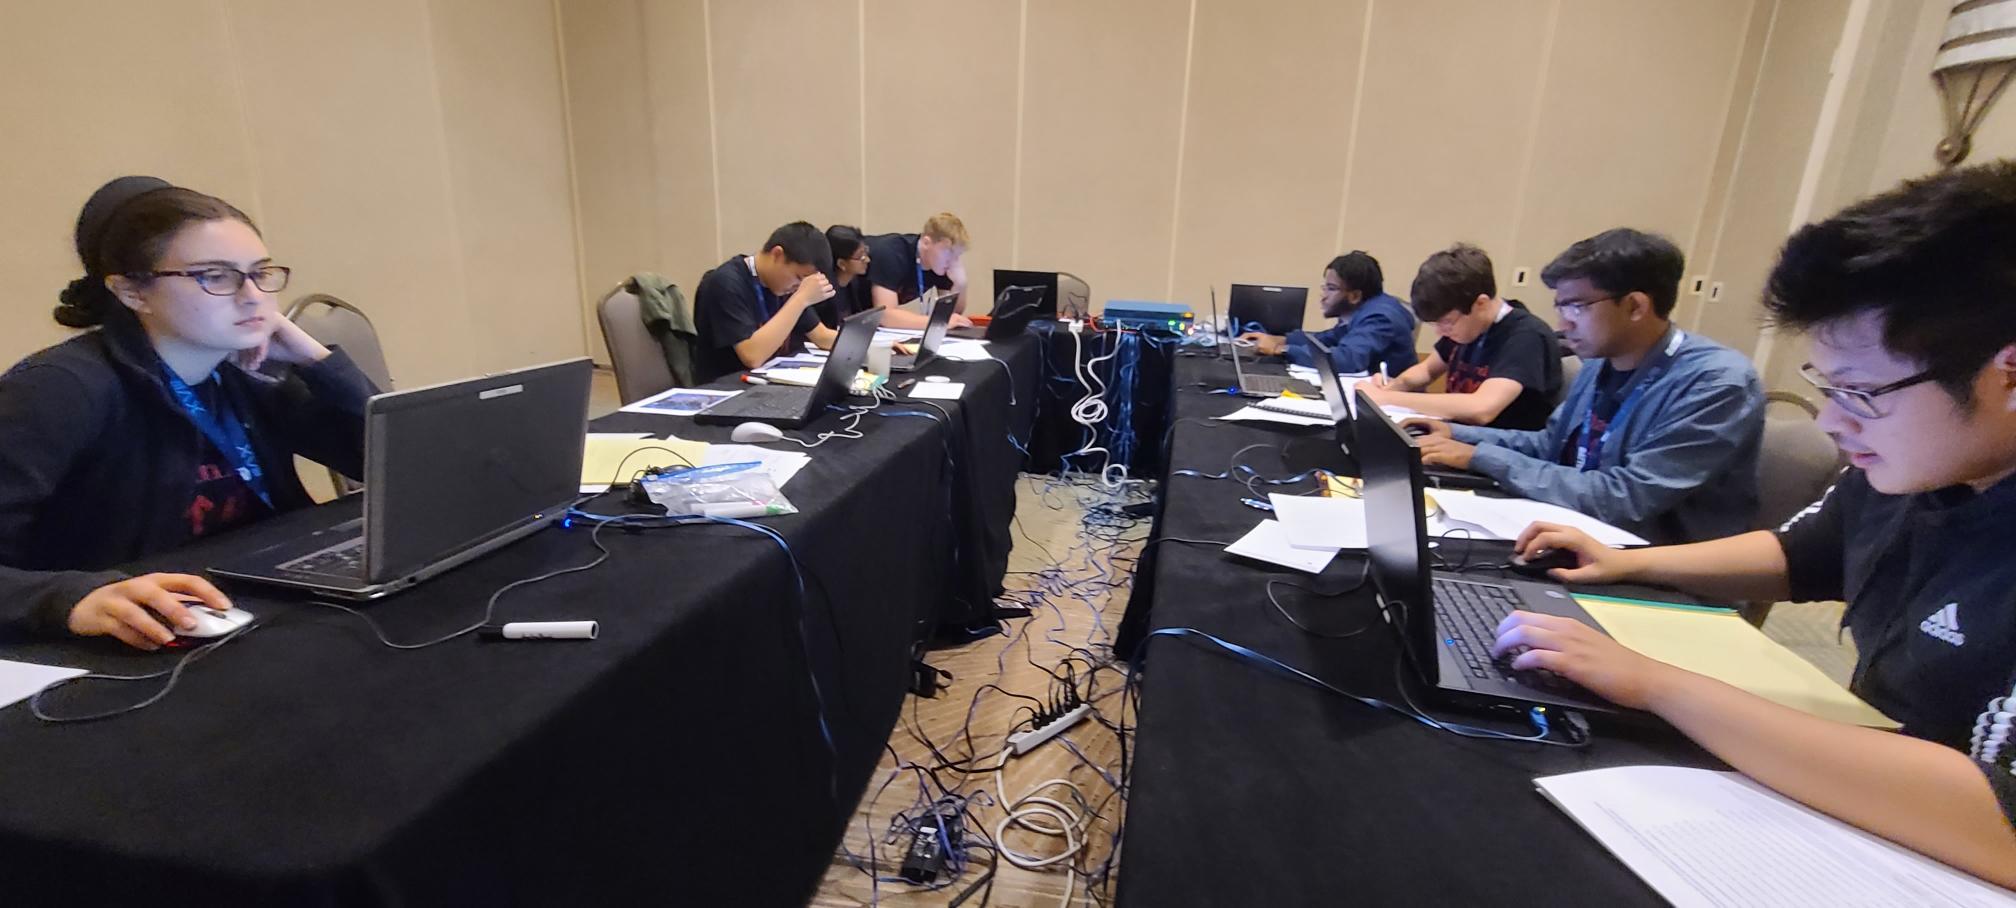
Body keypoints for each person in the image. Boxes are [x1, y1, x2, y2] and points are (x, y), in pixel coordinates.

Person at [1492, 161, 2016, 887]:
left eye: (1861, 393)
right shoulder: (1917, 470)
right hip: (1873, 787)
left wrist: (1657, 684)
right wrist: (1627, 563)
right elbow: (1801, 554)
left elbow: (2001, 821)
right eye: (1827, 389)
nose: (1832, 423)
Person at [0, 176, 376, 651]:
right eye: (215, 276)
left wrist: (316, 361)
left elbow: (391, 466)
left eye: (260, 273)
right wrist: (67, 599)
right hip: (140, 640)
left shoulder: (247, 370)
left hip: (265, 603)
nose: (252, 296)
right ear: (132, 292)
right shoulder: (59, 388)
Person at [1405, 229, 1765, 544]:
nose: (1563, 324)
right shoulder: (1599, 363)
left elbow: (1624, 498)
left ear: (1635, 306)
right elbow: (1551, 445)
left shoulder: (1716, 383)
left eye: (1576, 307)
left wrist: (1480, 456)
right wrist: (1456, 434)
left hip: (1657, 564)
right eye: (1561, 308)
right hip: (1578, 530)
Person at [1362, 243, 1562, 429]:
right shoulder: (1468, 327)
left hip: (1497, 446)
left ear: (1481, 304)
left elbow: (1482, 409)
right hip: (1457, 435)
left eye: (1447, 322)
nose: (1440, 332)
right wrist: (1393, 386)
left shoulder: (1526, 336)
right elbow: (1427, 370)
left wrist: (1386, 399)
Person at [690, 221, 839, 384]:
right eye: (798, 277)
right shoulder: (726, 282)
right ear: (777, 254)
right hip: (727, 388)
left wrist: (860, 345)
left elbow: (821, 336)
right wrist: (801, 298)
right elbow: (752, 356)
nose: (798, 286)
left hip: (766, 383)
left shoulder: (784, 287)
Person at [1235, 250, 1417, 375]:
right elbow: (1327, 339)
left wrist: (1281, 350)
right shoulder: (1365, 310)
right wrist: (1280, 340)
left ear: (1355, 295)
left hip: (1392, 408)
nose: (1323, 296)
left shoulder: (1380, 318)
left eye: (1331, 288)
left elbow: (1347, 360)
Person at [862, 212, 973, 330]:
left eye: (957, 255)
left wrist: (961, 284)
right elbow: (885, 315)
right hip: (852, 308)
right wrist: (935, 322)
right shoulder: (892, 253)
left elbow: (951, 317)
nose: (952, 261)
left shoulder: (941, 264)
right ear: (926, 243)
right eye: (949, 252)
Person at [818, 224, 875, 329]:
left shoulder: (856, 283)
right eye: (861, 257)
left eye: (866, 253)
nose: (867, 260)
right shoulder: (823, 293)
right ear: (842, 264)